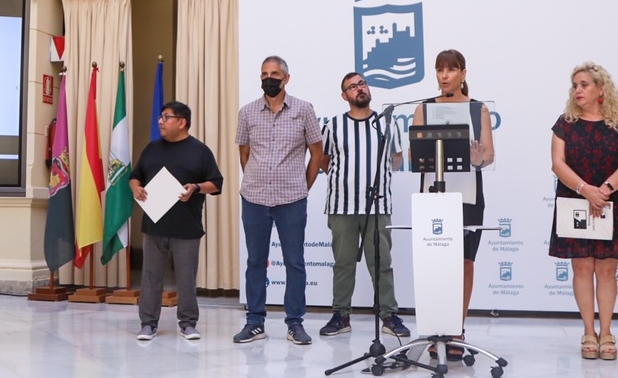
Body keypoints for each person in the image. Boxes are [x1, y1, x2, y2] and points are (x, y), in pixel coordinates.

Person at [548, 62, 618, 361]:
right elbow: (557, 163)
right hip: (576, 200)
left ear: (601, 89)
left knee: (607, 269)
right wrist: (585, 189)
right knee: (582, 268)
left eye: (584, 84)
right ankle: (589, 331)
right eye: (575, 85)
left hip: (613, 200)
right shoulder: (565, 123)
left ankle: (607, 331)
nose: (578, 89)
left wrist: (605, 190)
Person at [234, 55, 326, 345]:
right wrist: (256, 178)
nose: (268, 79)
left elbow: (317, 153)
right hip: (255, 197)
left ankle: (295, 323)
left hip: (291, 199)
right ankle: (255, 322)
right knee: (255, 261)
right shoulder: (247, 112)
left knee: (294, 262)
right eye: (264, 74)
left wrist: (302, 187)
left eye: (274, 74)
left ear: (286, 78)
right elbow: (244, 153)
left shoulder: (303, 110)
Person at [412, 49, 494, 357]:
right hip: (432, 195)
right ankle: (437, 328)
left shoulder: (478, 109)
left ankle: (457, 328)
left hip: (468, 195)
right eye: (440, 70)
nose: (444, 76)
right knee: (434, 261)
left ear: (463, 74)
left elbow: (489, 154)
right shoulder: (424, 108)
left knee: (464, 262)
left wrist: (478, 158)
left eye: (451, 70)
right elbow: (415, 153)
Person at [318, 72, 410, 339]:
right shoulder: (333, 126)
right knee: (343, 263)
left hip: (378, 207)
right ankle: (341, 315)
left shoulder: (387, 124)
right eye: (352, 87)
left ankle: (389, 315)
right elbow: (324, 161)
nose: (359, 89)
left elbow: (396, 160)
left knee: (382, 263)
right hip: (342, 206)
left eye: (362, 84)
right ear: (344, 95)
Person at [129, 101, 223, 341]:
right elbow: (135, 176)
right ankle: (148, 324)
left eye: (166, 117)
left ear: (182, 122)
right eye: (161, 117)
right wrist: (136, 188)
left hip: (186, 227)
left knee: (186, 279)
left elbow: (216, 183)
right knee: (151, 277)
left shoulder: (200, 151)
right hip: (154, 225)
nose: (160, 121)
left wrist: (196, 187)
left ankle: (188, 324)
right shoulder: (152, 149)